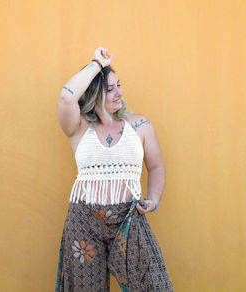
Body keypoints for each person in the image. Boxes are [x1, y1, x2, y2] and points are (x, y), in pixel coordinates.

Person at [55, 47, 173, 291]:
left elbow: (156, 166)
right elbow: (67, 97)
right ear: (93, 94)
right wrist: (97, 64)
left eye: (119, 85)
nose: (118, 92)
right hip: (84, 222)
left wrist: (153, 200)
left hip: (129, 218)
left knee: (152, 286)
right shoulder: (78, 126)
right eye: (109, 89)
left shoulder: (139, 125)